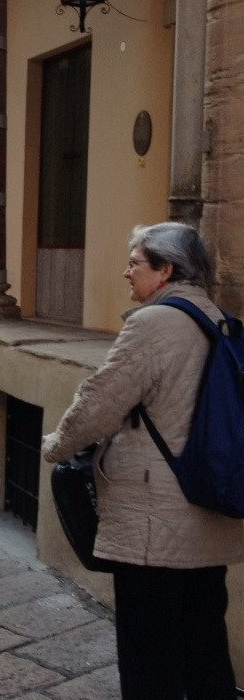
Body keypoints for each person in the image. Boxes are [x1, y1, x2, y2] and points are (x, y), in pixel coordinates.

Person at [42, 222, 242, 700]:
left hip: (155, 526)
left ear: (166, 269)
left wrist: (56, 446)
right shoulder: (220, 320)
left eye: (135, 263)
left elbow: (99, 402)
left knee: (149, 658)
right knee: (204, 648)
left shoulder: (154, 323)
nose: (126, 273)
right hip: (207, 518)